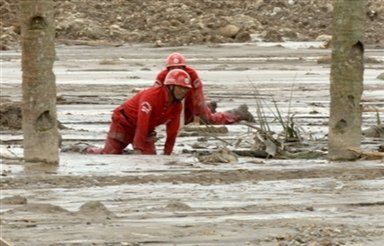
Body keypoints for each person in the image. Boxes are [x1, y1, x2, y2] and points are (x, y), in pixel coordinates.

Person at [86, 69, 192, 155]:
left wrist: (167, 153)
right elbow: (142, 124)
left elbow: (172, 132)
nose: (183, 91)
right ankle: (88, 150)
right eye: (180, 88)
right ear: (170, 86)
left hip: (146, 130)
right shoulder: (151, 97)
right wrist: (138, 148)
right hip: (123, 123)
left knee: (149, 157)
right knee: (110, 154)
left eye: (186, 89)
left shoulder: (177, 106)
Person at [154, 52, 255, 125]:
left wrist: (199, 115)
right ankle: (209, 107)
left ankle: (238, 113)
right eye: (172, 69)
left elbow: (197, 96)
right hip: (173, 103)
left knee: (208, 120)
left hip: (190, 101)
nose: (176, 71)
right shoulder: (162, 77)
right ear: (167, 69)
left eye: (180, 68)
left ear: (185, 68)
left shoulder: (192, 75)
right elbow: (156, 96)